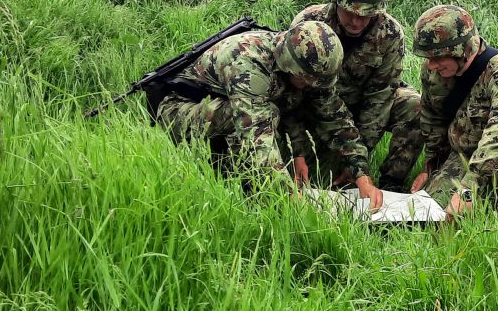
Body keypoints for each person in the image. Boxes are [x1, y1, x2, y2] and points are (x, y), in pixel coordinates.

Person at [155, 20, 383, 208]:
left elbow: (335, 118)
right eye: (306, 81)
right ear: (288, 65)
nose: (311, 86)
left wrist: (361, 173)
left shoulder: (305, 65)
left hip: (226, 108)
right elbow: (256, 137)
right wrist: (289, 197)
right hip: (180, 111)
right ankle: (243, 189)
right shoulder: (248, 63)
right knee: (267, 116)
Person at [290, 0, 423, 192]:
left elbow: (380, 98)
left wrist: (357, 160)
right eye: (350, 12)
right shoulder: (310, 22)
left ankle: (392, 185)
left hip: (363, 104)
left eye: (366, 15)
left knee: (415, 105)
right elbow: (294, 85)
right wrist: (300, 146)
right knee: (320, 177)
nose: (356, 22)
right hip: (318, 104)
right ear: (335, 1)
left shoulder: (390, 33)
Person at [410, 4, 498, 219]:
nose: (431, 65)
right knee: (432, 212)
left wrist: (468, 190)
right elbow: (433, 119)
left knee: (486, 204)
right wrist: (432, 168)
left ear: (461, 50)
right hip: (465, 153)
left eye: (437, 58)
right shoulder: (434, 73)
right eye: (427, 58)